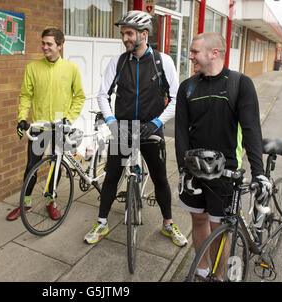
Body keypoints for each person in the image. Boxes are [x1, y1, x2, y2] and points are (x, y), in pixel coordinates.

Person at [84, 10, 188, 247]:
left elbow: (175, 99)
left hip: (151, 129)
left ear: (144, 34)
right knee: (112, 177)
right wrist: (111, 121)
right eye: (123, 34)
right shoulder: (118, 62)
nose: (125, 38)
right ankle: (102, 222)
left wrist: (157, 123)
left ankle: (168, 223)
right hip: (122, 129)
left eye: (129, 33)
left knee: (160, 179)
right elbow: (103, 95)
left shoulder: (163, 61)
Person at [175, 32, 272, 280]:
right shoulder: (187, 87)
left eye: (195, 51)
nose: (191, 56)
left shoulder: (240, 83)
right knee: (198, 220)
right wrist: (183, 169)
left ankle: (219, 277)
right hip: (195, 170)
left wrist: (258, 173)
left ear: (214, 53)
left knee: (219, 227)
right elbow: (180, 132)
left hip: (225, 171)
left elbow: (251, 129)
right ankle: (202, 269)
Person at [6, 28, 85, 221]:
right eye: (43, 43)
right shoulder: (33, 68)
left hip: (59, 127)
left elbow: (79, 97)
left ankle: (51, 201)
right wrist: (22, 118)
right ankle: (26, 202)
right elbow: (26, 95)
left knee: (55, 166)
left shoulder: (71, 68)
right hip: (40, 127)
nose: (45, 47)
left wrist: (69, 118)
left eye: (49, 44)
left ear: (60, 45)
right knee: (31, 166)